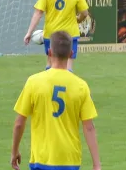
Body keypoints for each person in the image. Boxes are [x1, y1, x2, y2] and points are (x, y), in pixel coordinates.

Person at [11, 31, 101, 170]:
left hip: (41, 159)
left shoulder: (33, 82)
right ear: (71, 54)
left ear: (49, 52)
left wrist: (14, 151)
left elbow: (19, 123)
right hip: (69, 161)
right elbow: (89, 127)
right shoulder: (81, 86)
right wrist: (96, 164)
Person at [24, 0, 89, 71]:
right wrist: (77, 19)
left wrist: (29, 33)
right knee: (68, 66)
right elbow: (84, 13)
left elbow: (38, 13)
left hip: (51, 34)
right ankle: (67, 87)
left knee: (50, 65)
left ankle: (50, 87)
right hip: (70, 34)